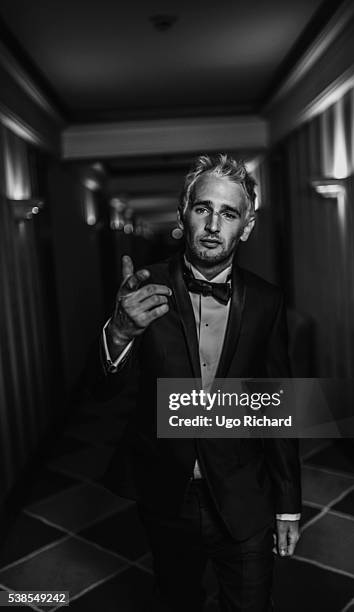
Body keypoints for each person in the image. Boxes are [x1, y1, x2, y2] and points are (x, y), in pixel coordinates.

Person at [87, 154, 301, 611]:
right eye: (203, 208)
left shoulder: (267, 302)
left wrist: (288, 505)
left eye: (228, 213)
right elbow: (100, 397)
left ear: (246, 226)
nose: (212, 224)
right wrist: (119, 332)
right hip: (167, 493)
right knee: (177, 600)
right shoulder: (143, 289)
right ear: (184, 214)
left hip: (246, 495)